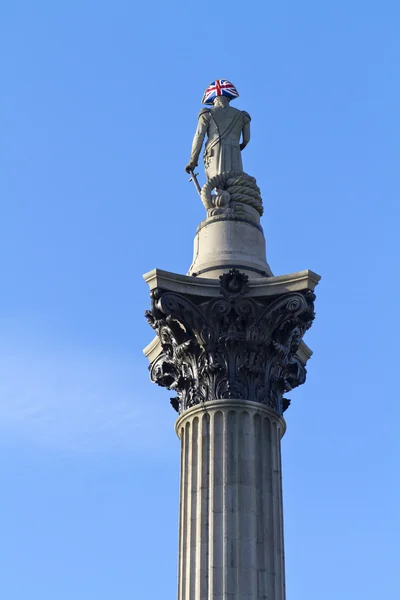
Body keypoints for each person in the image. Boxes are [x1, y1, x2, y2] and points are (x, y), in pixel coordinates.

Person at [185, 79, 251, 180]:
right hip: (234, 154)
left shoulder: (207, 113)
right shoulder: (242, 115)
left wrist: (193, 161)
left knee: (218, 187)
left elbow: (199, 136)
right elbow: (246, 139)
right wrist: (239, 146)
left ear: (212, 99)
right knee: (234, 186)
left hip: (214, 153)